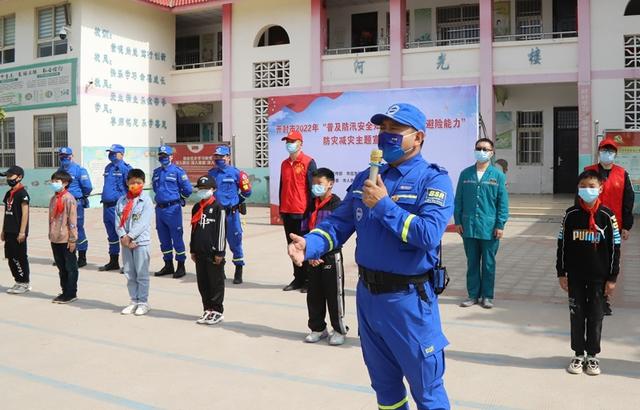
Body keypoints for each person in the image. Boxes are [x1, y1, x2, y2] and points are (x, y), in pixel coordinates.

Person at [288, 103, 453, 409]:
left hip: (408, 301)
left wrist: (384, 205)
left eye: (395, 130)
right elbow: (340, 223)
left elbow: (428, 235)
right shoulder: (368, 176)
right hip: (368, 298)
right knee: (385, 388)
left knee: (427, 390)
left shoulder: (433, 180)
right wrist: (308, 245)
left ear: (418, 137)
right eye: (383, 129)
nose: (386, 136)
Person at [556, 170, 620, 376]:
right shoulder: (570, 215)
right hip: (575, 276)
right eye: (583, 186)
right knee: (577, 315)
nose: (587, 190)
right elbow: (562, 244)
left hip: (598, 278)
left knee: (595, 316)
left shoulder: (608, 216)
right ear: (578, 189)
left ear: (600, 188)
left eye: (592, 186)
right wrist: (561, 272)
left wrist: (612, 277)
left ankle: (592, 355)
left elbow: (615, 247)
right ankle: (578, 353)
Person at [454, 138, 509, 309]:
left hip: (489, 228)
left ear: (492, 153)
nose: (482, 151)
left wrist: (500, 225)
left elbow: (503, 203)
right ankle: (472, 295)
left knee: (488, 263)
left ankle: (487, 296)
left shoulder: (498, 175)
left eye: (486, 149)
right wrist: (457, 221)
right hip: (468, 226)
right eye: (479, 148)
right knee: (472, 262)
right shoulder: (466, 174)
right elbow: (459, 200)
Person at [584, 138, 634, 316]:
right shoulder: (588, 171)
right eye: (604, 150)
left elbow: (628, 200)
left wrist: (627, 225)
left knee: (609, 262)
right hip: (590, 224)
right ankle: (590, 296)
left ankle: (603, 299)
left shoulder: (622, 173)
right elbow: (579, 197)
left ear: (615, 154)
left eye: (611, 150)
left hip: (614, 225)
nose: (607, 153)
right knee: (589, 260)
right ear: (599, 152)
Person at [300, 167, 348, 346]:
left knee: (333, 295)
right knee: (314, 294)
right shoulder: (311, 204)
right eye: (314, 184)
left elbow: (338, 232)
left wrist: (320, 251)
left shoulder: (337, 205)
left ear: (330, 184)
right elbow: (304, 228)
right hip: (312, 257)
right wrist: (310, 252)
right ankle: (318, 328)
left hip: (330, 256)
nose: (316, 187)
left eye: (319, 183)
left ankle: (339, 329)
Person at [208, 145, 252, 284]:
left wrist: (238, 201)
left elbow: (247, 192)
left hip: (231, 214)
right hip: (216, 215)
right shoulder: (211, 173)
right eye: (217, 156)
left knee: (235, 242)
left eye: (222, 156)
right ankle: (220, 270)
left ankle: (238, 270)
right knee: (216, 243)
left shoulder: (237, 173)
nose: (219, 159)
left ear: (228, 157)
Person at [279, 129, 317, 292]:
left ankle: (309, 279)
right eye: (287, 141)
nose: (289, 144)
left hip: (303, 211)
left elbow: (313, 188)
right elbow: (282, 187)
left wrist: (312, 211)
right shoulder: (284, 164)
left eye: (292, 141)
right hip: (287, 210)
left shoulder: (309, 162)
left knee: (304, 246)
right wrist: (281, 208)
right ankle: (298, 278)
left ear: (300, 143)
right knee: (291, 247)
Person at [115, 169, 153, 316]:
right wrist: (123, 237)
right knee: (129, 273)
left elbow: (143, 222)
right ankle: (133, 301)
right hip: (125, 243)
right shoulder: (121, 201)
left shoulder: (147, 201)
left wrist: (130, 236)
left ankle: (143, 302)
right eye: (132, 183)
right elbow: (118, 220)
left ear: (143, 184)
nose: (135, 185)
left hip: (140, 242)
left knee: (142, 273)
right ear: (127, 183)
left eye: (138, 183)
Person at [190, 176, 227, 325]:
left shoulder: (218, 207)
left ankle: (217, 311)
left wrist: (219, 252)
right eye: (200, 189)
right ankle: (207, 309)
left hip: (213, 253)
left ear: (213, 190)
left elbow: (221, 231)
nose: (202, 191)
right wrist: (192, 249)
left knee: (215, 282)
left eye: (206, 189)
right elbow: (193, 229)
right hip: (199, 252)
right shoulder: (196, 207)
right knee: (203, 282)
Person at [152, 145, 193, 279]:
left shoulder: (178, 171)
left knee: (177, 238)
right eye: (161, 156)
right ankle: (168, 265)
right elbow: (155, 188)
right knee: (163, 239)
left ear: (171, 157)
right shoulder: (157, 172)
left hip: (173, 209)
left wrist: (181, 199)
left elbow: (187, 189)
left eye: (165, 155)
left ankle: (181, 266)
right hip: (160, 209)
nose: (163, 158)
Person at [57, 147, 93, 267]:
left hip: (75, 203)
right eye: (61, 156)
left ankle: (82, 257)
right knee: (63, 228)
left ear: (72, 156)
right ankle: (67, 255)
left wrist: (83, 197)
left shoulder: (79, 170)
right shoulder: (59, 170)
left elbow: (87, 186)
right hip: (61, 203)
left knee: (77, 228)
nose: (64, 158)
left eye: (66, 156)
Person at [100, 144, 132, 272]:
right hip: (107, 207)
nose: (111, 155)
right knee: (111, 236)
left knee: (123, 235)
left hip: (119, 207)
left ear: (121, 154)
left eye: (114, 153)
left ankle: (129, 263)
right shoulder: (108, 167)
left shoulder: (126, 169)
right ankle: (113, 261)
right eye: (110, 153)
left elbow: (131, 188)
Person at [49, 170, 79, 304]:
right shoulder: (53, 198)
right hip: (55, 238)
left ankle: (71, 293)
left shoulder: (69, 199)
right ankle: (64, 290)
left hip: (66, 239)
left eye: (57, 181)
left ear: (65, 183)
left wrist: (72, 239)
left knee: (70, 268)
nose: (54, 183)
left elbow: (72, 221)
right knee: (61, 267)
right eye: (53, 181)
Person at [2, 166, 31, 294]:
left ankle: (24, 282)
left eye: (11, 176)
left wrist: (22, 232)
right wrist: (3, 229)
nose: (8, 179)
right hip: (9, 230)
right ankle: (18, 281)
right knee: (11, 257)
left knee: (20, 257)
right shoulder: (9, 193)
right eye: (7, 176)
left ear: (19, 177)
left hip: (18, 231)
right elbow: (6, 211)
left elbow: (25, 214)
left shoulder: (22, 193)